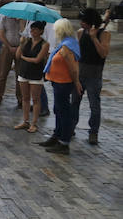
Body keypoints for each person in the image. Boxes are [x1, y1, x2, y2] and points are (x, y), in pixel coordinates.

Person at [39, 19, 82, 155]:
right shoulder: (65, 43)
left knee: (63, 111)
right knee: (58, 109)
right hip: (57, 81)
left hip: (63, 83)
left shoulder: (67, 46)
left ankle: (64, 142)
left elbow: (73, 68)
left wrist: (76, 82)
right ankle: (57, 136)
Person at [72, 8, 110, 145]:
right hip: (80, 74)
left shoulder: (104, 34)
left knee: (94, 105)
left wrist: (94, 38)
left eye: (83, 21)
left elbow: (103, 53)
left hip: (94, 75)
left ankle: (93, 131)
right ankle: (71, 127)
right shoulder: (80, 33)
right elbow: (76, 54)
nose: (81, 23)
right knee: (74, 102)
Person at [14, 20, 48, 133]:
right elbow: (18, 55)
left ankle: (34, 123)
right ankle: (25, 121)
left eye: (35, 29)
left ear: (41, 31)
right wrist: (21, 44)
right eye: (31, 29)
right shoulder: (27, 41)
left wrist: (24, 58)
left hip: (36, 74)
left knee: (36, 99)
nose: (32, 31)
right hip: (24, 72)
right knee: (25, 98)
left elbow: (37, 60)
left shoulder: (44, 44)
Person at [0, 0, 23, 106]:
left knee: (20, 74)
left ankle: (20, 98)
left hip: (20, 48)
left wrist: (21, 21)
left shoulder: (24, 19)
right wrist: (9, 46)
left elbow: (26, 34)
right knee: (3, 73)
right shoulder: (4, 18)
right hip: (7, 47)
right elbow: (0, 34)